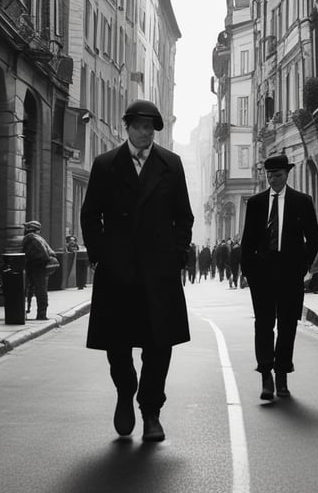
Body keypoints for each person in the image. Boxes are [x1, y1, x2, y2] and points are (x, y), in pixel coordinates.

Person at [80, 100, 194, 443]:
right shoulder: (105, 165)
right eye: (139, 126)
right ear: (126, 126)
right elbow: (90, 215)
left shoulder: (170, 165)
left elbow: (183, 217)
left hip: (159, 273)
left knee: (159, 346)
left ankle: (151, 411)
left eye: (150, 127)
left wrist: (175, 255)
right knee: (117, 345)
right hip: (118, 273)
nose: (145, 132)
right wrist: (101, 255)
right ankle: (125, 392)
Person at [240, 154, 318, 401]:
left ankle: (282, 374)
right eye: (270, 175)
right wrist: (248, 271)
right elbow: (247, 241)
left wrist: (301, 265)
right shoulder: (255, 203)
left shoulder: (302, 202)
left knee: (287, 326)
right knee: (263, 325)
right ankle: (266, 375)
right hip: (262, 274)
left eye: (278, 175)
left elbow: (314, 238)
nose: (274, 180)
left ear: (287, 175)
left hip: (289, 273)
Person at [22, 221, 59, 321]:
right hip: (42, 266)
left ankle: (41, 314)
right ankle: (41, 314)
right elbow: (51, 252)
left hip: (36, 267)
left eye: (26, 227)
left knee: (40, 290)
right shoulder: (39, 238)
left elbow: (30, 254)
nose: (24, 229)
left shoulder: (30, 238)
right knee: (41, 290)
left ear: (29, 228)